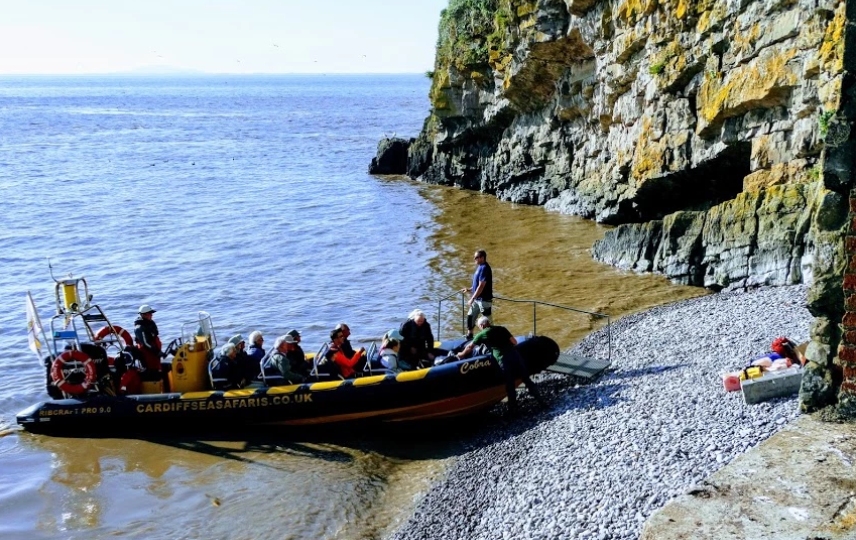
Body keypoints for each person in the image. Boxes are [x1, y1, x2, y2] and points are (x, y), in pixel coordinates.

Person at [456, 316, 545, 414]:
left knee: (510, 385)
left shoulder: (482, 334)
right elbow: (514, 342)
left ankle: (513, 411)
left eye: (479, 326)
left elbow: (470, 347)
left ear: (482, 325)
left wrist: (461, 354)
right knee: (527, 379)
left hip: (503, 359)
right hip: (515, 356)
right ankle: (541, 402)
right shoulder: (502, 329)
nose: (479, 328)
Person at [461, 249, 493, 339]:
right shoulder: (479, 267)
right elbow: (476, 286)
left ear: (482, 258)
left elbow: (481, 286)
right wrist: (469, 289)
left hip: (484, 300)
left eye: (476, 257)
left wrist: (472, 298)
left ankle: (491, 338)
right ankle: (470, 335)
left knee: (487, 322)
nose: (474, 259)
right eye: (474, 257)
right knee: (470, 316)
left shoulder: (485, 268)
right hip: (477, 300)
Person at [134, 304, 162, 372]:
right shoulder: (139, 328)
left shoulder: (150, 323)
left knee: (157, 367)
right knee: (152, 369)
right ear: (143, 315)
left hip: (154, 352)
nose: (151, 315)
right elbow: (146, 343)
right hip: (148, 353)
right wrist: (156, 351)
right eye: (149, 313)